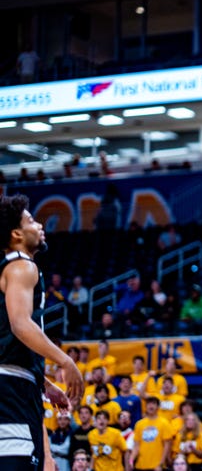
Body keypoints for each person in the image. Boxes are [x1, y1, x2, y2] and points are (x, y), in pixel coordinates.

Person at [0, 194, 84, 468]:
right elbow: (20, 324)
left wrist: (44, 384)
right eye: (31, 221)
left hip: (18, 384)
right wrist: (65, 361)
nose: (39, 225)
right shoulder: (21, 266)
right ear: (16, 233)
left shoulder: (10, 270)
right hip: (10, 389)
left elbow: (6, 340)